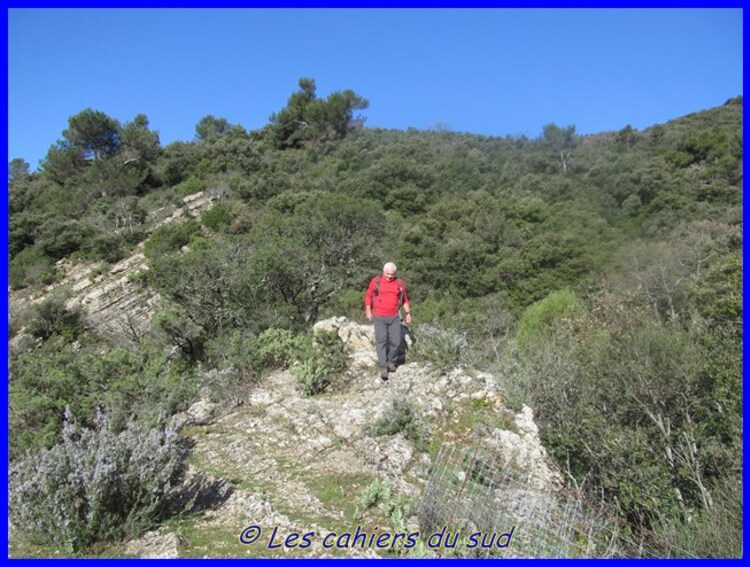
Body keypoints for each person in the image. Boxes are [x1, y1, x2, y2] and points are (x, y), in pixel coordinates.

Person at [364, 262, 412, 381]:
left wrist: (408, 314)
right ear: (383, 271)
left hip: (394, 316)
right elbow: (368, 296)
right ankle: (383, 367)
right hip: (379, 316)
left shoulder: (399, 284)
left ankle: (391, 361)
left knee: (396, 341)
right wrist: (368, 312)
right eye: (387, 274)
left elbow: (405, 300)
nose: (390, 276)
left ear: (395, 273)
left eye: (392, 274)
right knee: (382, 341)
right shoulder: (376, 281)